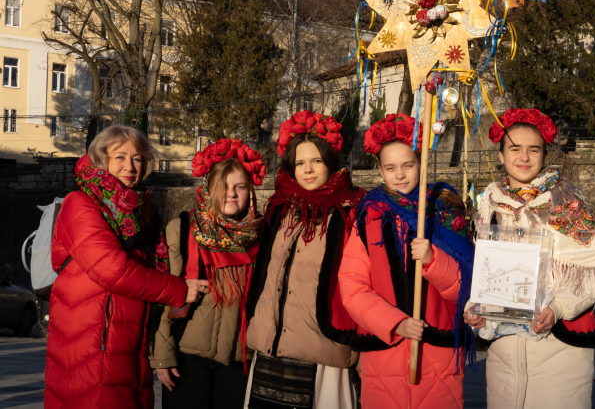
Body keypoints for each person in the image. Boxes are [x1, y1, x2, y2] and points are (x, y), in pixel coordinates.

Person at [463, 108, 595, 409]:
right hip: (504, 356)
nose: (523, 157)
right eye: (514, 148)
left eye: (533, 149)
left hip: (560, 352)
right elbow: (483, 275)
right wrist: (477, 315)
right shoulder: (489, 207)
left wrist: (558, 307)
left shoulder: (566, 204)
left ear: (545, 155)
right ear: (501, 155)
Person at [45, 126, 208, 409]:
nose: (130, 166)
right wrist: (179, 290)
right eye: (120, 157)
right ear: (101, 159)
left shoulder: (142, 211)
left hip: (129, 340)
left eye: (138, 159)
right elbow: (112, 269)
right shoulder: (81, 203)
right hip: (95, 339)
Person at [338, 113, 474, 409]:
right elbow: (352, 285)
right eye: (390, 167)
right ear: (380, 170)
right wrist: (395, 322)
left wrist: (433, 260)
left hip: (438, 355)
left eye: (408, 165)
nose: (399, 174)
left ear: (422, 164)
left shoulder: (445, 211)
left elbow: (466, 288)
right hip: (384, 356)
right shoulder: (369, 217)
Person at [243, 111, 366, 409]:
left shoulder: (353, 211)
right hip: (272, 346)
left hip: (323, 347)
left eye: (316, 161)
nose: (308, 170)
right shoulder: (281, 208)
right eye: (300, 163)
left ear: (330, 162)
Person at [151, 138, 267, 409]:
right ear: (209, 188)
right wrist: (162, 356)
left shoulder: (263, 235)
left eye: (240, 186)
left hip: (241, 362)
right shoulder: (182, 229)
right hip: (188, 359)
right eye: (223, 186)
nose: (231, 194)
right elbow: (165, 297)